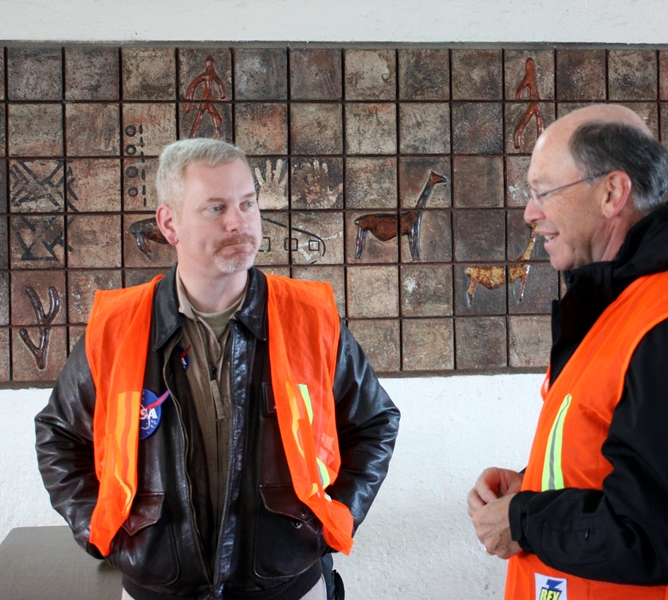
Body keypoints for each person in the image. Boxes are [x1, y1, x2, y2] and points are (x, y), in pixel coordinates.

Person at [36, 138, 400, 600]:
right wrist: (100, 531)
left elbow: (374, 422)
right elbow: (58, 435)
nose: (239, 222)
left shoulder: (310, 318)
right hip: (157, 588)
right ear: (170, 223)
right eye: (215, 208)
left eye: (247, 203)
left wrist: (336, 519)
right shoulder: (117, 327)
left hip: (288, 584)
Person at [468, 104, 668, 599]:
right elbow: (629, 458)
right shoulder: (630, 305)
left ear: (612, 192)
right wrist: (533, 486)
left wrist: (525, 519)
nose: (531, 214)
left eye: (541, 193)